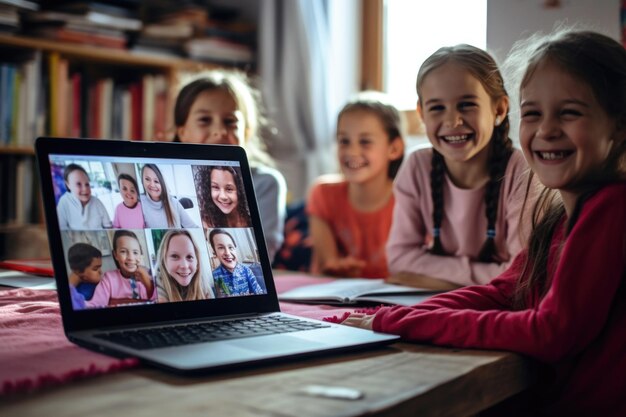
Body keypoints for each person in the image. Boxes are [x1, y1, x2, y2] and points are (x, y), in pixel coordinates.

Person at [342, 29, 626, 417]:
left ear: (620, 125)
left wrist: (403, 323)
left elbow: (551, 331)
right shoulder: (561, 218)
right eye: (533, 113)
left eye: (569, 112)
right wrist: (391, 317)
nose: (546, 130)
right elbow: (502, 291)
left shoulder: (612, 207)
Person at [386, 44, 535, 290]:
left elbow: (520, 275)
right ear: (422, 113)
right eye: (437, 108)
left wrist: (431, 280)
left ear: (499, 108)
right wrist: (480, 277)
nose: (453, 121)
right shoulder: (416, 166)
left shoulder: (521, 172)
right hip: (439, 304)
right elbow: (399, 259)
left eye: (467, 104)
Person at [173, 69, 286, 261]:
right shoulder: (171, 181)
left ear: (247, 132)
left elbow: (264, 253)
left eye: (230, 121)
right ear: (182, 132)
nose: (219, 131)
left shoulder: (266, 183)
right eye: (204, 120)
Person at [306, 91, 404, 278]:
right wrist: (337, 267)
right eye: (344, 141)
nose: (352, 151)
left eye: (365, 141)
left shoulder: (409, 200)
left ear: (394, 148)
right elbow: (327, 264)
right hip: (335, 296)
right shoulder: (322, 193)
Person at [87, 230, 156, 307]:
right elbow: (95, 304)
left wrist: (147, 281)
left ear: (140, 254)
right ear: (115, 254)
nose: (130, 258)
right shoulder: (108, 279)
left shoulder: (151, 275)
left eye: (135, 252)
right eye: (123, 251)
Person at [155, 230, 214, 302]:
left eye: (189, 257)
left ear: (197, 262)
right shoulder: (156, 285)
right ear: (164, 261)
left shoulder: (203, 284)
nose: (185, 266)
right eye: (175, 256)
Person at [208, 228, 264, 297]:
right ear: (215, 252)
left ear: (235, 249)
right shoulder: (214, 276)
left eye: (231, 247)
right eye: (221, 247)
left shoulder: (246, 270)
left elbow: (259, 292)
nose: (227, 253)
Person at [140, 163, 198, 229]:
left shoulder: (174, 203)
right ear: (142, 180)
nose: (152, 185)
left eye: (156, 181)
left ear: (162, 183)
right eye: (147, 179)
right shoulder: (140, 203)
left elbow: (193, 227)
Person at [56, 163, 112, 230]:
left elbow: (108, 226)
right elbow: (62, 229)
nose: (85, 189)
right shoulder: (64, 202)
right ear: (68, 185)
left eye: (87, 184)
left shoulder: (97, 202)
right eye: (78, 184)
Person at [67, 242, 103, 309]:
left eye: (100, 267)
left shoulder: (99, 286)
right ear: (78, 272)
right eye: (95, 268)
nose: (100, 272)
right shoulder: (83, 292)